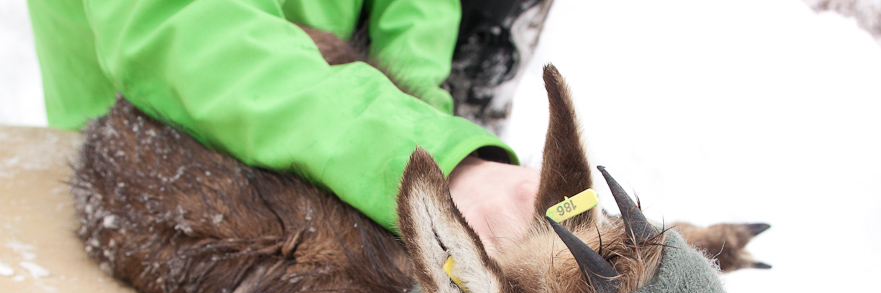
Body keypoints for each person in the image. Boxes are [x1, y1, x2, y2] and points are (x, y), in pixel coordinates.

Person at [26, 0, 550, 252]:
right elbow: (197, 39)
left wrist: (418, 102)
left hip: (334, 99)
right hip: (164, 121)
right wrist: (424, 158)